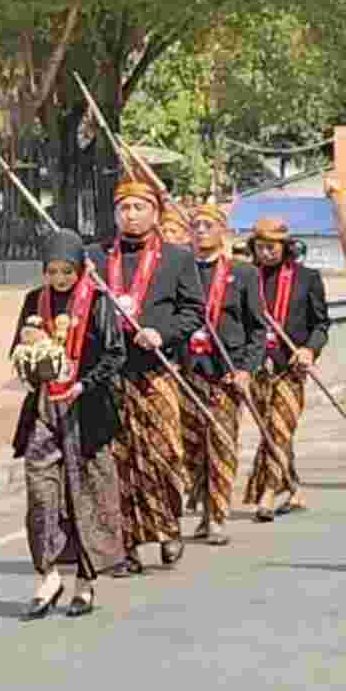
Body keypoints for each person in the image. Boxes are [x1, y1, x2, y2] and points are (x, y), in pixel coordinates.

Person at [10, 230, 126, 618]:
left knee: (86, 493)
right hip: (44, 407)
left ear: (79, 269)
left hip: (85, 408)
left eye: (66, 271)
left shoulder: (97, 301)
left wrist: (81, 385)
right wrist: (29, 361)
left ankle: (85, 582)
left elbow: (114, 354)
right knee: (40, 490)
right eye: (52, 271)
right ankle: (48, 575)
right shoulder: (33, 301)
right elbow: (18, 349)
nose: (59, 279)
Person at [95, 179, 205, 577]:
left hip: (156, 372)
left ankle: (168, 526)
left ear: (155, 213)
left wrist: (163, 333)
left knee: (164, 453)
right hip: (110, 376)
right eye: (125, 208)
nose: (132, 215)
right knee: (119, 461)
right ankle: (127, 545)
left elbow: (195, 311)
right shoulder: (96, 258)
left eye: (140, 207)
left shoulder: (176, 259)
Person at [180, 204, 265, 546]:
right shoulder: (179, 270)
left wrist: (246, 368)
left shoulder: (242, 274)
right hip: (186, 371)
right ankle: (200, 508)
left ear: (222, 232)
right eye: (196, 225)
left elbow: (256, 329)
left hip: (226, 373)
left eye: (208, 225)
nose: (201, 231)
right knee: (190, 447)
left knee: (221, 444)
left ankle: (216, 516)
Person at [246, 218, 328, 522]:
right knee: (272, 429)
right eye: (260, 247)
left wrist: (310, 349)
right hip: (255, 368)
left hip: (291, 368)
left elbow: (321, 324)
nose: (266, 253)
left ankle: (268, 492)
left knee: (279, 427)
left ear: (286, 248)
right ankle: (294, 489)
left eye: (272, 247)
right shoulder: (245, 276)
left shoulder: (307, 278)